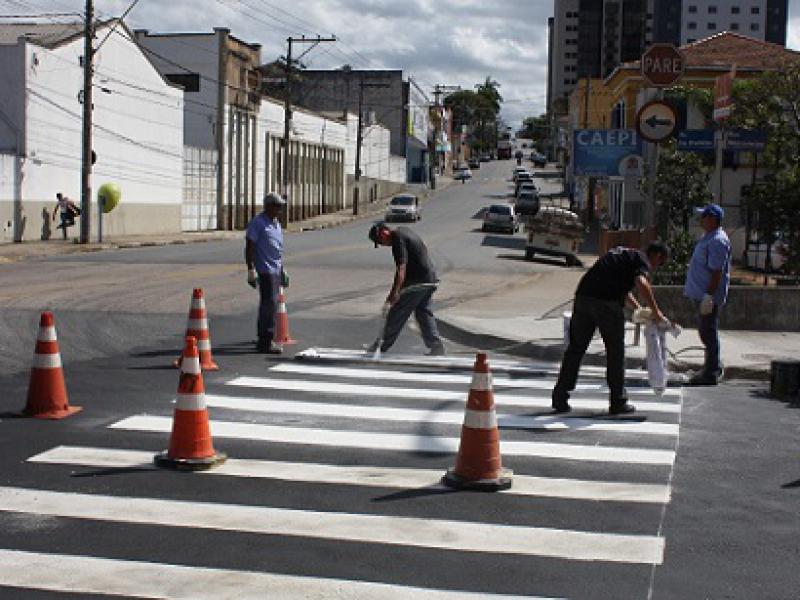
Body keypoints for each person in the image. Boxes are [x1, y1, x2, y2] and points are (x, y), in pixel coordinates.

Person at [551, 241, 671, 415]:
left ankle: (560, 396)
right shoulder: (641, 260)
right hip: (606, 303)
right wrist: (656, 311)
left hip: (584, 297)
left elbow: (623, 290)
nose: (655, 267)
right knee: (615, 352)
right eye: (659, 263)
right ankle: (618, 401)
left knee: (575, 349)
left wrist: (638, 309)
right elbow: (641, 282)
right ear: (657, 256)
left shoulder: (625, 255)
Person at [367, 221, 446, 356]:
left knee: (397, 313)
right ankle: (436, 346)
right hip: (429, 279)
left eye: (380, 241)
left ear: (383, 232)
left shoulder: (397, 238)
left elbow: (401, 269)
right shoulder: (404, 231)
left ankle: (380, 346)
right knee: (423, 313)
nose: (383, 244)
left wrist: (395, 293)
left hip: (418, 282)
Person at [683, 203, 731, 385]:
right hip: (702, 295)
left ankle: (711, 372)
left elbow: (717, 271)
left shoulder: (718, 241)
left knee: (708, 332)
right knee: (705, 331)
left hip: (708, 297)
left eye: (704, 216)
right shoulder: (709, 237)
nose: (701, 220)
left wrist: (708, 296)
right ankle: (711, 366)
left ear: (712, 219)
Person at [245, 192, 288, 354]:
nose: (280, 210)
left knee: (273, 304)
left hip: (275, 269)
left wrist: (282, 269)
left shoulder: (276, 224)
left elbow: (277, 249)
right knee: (268, 304)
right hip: (265, 270)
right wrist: (251, 269)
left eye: (281, 207)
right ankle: (265, 340)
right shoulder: (258, 223)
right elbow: (250, 247)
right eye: (277, 206)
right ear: (268, 206)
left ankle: (266, 335)